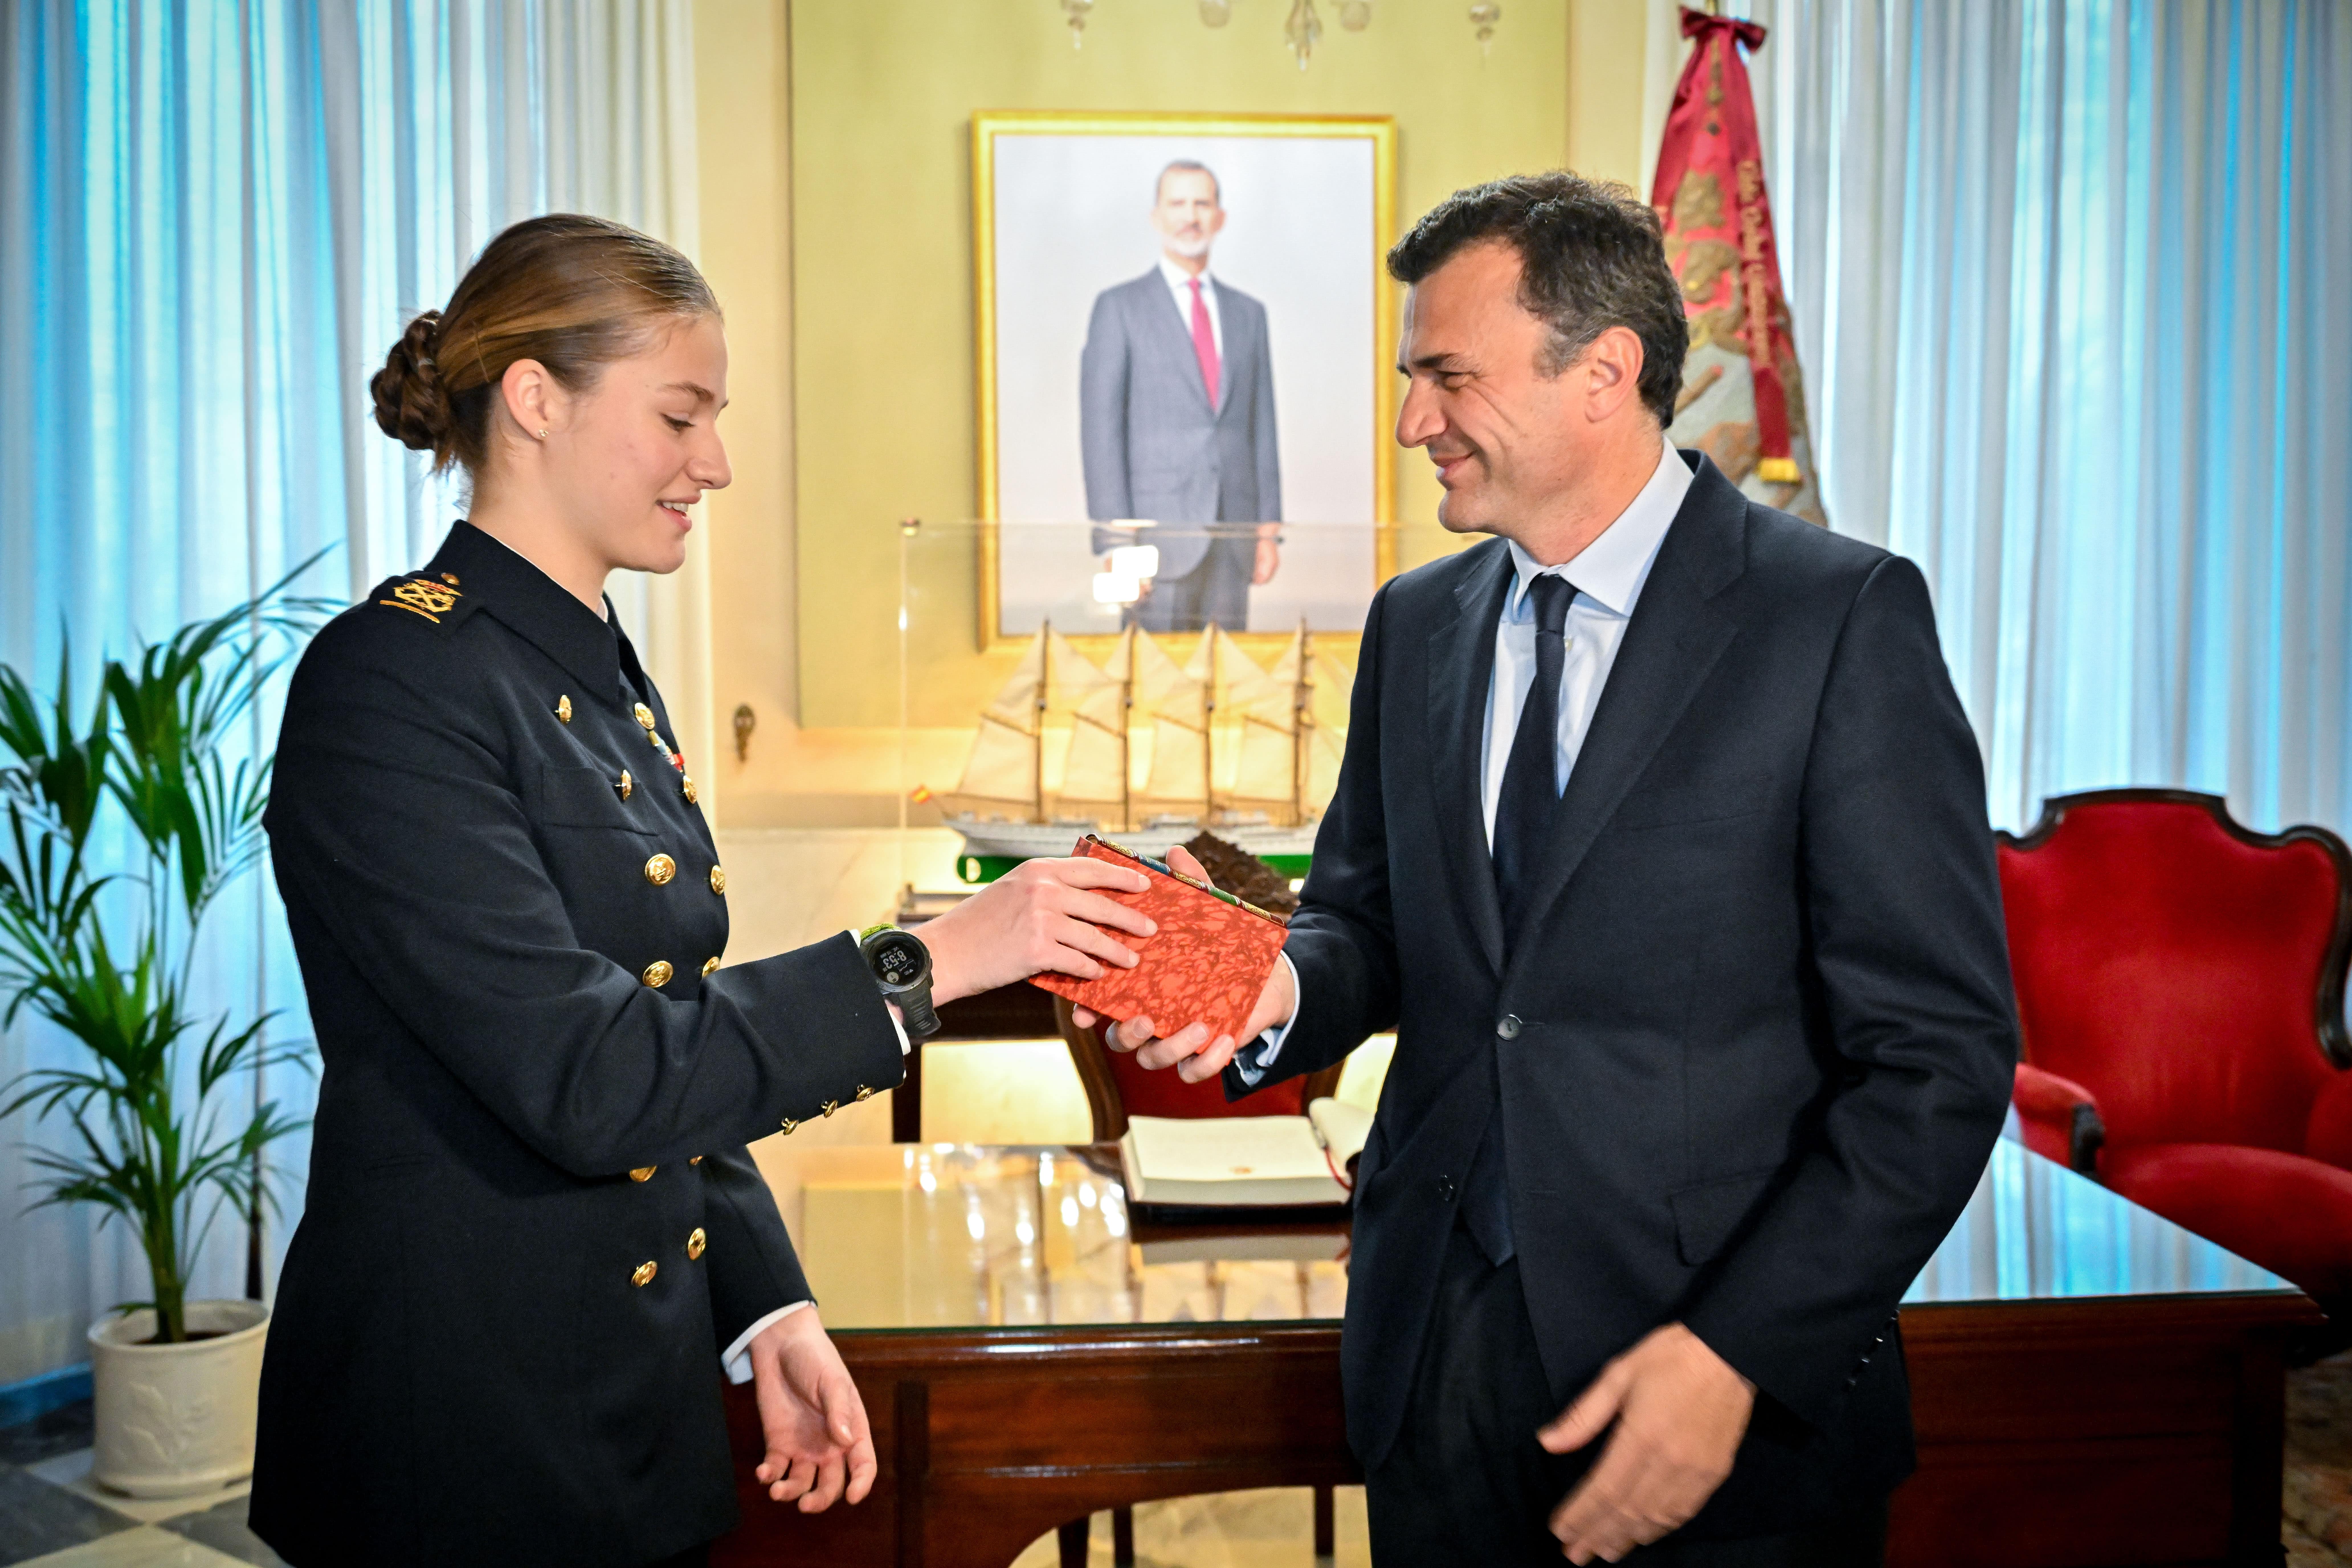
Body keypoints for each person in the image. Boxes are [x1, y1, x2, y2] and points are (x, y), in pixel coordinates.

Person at [1088, 173, 2019, 1564]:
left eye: (1445, 376)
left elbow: (1937, 1060)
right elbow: (1371, 923)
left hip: (1711, 1397)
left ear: (1602, 373)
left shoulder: (1835, 620)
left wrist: (1732, 1357)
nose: (1413, 420)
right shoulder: (1416, 625)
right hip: (1433, 1365)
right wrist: (1259, 988)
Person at [252, 213, 1161, 1568]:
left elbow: (666, 1021)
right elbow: (593, 1072)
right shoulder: (392, 683)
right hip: (461, 1431)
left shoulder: (600, 673)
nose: (716, 463)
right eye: (681, 416)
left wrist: (763, 1306)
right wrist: (926, 958)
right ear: (536, 399)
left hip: (634, 1391)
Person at [1079, 158, 1282, 633]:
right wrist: (1115, 544)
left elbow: (1262, 427)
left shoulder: (1248, 314)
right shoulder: (1119, 309)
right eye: (1178, 203)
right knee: (1155, 688)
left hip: (1233, 539)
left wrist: (1268, 532)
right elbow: (1101, 432)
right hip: (1153, 547)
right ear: (1156, 217)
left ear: (1220, 217)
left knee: (1229, 686)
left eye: (1202, 203)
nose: (1190, 216)